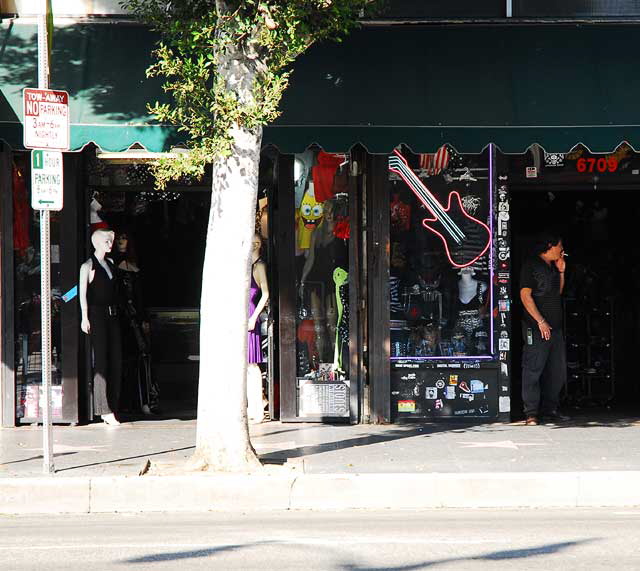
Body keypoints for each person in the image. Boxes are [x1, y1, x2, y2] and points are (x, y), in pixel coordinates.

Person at [519, 232, 567, 426]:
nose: (562, 250)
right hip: (536, 327)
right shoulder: (531, 266)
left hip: (555, 328)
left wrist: (562, 272)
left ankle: (550, 409)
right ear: (550, 245)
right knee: (533, 369)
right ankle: (531, 413)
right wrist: (540, 321)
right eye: (560, 246)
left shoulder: (553, 267)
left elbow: (558, 292)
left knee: (557, 371)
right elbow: (525, 296)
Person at [79, 228, 122, 426]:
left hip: (112, 314)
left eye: (110, 241)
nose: (110, 244)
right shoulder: (88, 266)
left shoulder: (110, 264)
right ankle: (104, 409)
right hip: (96, 314)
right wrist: (84, 317)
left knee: (116, 360)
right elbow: (83, 294)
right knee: (101, 363)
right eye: (107, 241)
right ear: (97, 242)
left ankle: (113, 405)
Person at [114, 230, 158, 415]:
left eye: (124, 238)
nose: (120, 242)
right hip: (123, 320)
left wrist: (144, 319)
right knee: (127, 360)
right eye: (119, 239)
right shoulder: (113, 266)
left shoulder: (134, 267)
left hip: (136, 320)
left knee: (142, 360)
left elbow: (141, 297)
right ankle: (130, 401)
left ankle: (144, 400)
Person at [247, 233, 269, 422]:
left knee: (252, 364)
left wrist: (254, 317)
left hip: (250, 315)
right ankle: (252, 405)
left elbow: (265, 293)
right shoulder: (246, 266)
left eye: (256, 242)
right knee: (245, 365)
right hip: (242, 314)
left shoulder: (259, 266)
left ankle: (257, 408)